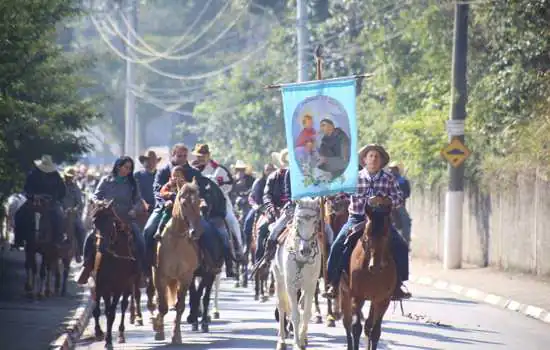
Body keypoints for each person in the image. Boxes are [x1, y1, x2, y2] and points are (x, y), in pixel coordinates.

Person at [323, 144, 411, 300]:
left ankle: (398, 285)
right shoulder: (354, 178)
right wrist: (331, 197)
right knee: (337, 245)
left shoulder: (389, 178)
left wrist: (385, 200)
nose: (374, 159)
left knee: (401, 246)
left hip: (382, 221)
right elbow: (342, 196)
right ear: (364, 160)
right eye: (370, 156)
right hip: (357, 219)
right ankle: (333, 283)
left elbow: (398, 199)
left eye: (377, 157)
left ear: (382, 161)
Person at [142, 143, 236, 277]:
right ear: (173, 155)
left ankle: (210, 262)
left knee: (209, 231)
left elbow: (202, 191)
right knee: (148, 230)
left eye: (185, 156)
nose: (182, 158)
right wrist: (165, 202)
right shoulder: (163, 171)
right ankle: (146, 266)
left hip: (190, 210)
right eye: (179, 155)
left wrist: (201, 202)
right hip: (166, 208)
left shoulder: (193, 172)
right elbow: (157, 190)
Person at [77, 156, 146, 284]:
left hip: (126, 219)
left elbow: (138, 200)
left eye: (130, 168)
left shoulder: (132, 183)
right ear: (118, 166)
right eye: (126, 167)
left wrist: (135, 209)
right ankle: (86, 267)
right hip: (107, 218)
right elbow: (95, 195)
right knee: (90, 238)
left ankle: (141, 273)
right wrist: (99, 202)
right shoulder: (106, 180)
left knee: (140, 241)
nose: (128, 171)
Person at [192, 143, 244, 260]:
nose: (200, 158)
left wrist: (218, 191)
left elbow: (230, 184)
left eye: (203, 155)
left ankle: (238, 250)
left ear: (208, 155)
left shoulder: (219, 169)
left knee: (232, 221)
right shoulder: (192, 170)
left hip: (220, 204)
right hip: (198, 204)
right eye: (198, 156)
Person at [15, 155, 66, 247]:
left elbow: (62, 191)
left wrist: (53, 198)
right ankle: (18, 239)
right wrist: (33, 196)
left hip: (51, 203)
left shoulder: (55, 175)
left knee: (59, 217)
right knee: (19, 214)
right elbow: (26, 188)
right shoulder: (33, 174)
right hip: (34, 201)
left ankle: (58, 240)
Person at [257, 149, 292, 267]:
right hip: (276, 210)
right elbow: (267, 195)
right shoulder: (273, 177)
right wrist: (272, 208)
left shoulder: (298, 177)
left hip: (296, 209)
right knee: (263, 229)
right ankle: (263, 259)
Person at [243, 163, 276, 246]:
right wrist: (256, 206)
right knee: (248, 221)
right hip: (260, 207)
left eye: (271, 169)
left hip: (273, 207)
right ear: (264, 171)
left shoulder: (277, 180)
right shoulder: (259, 182)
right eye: (267, 169)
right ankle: (246, 246)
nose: (270, 171)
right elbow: (252, 196)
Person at [153, 165, 187, 240]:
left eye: (178, 176)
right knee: (166, 214)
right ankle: (159, 230)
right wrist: (169, 195)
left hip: (183, 207)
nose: (176, 178)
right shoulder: (168, 185)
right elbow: (162, 192)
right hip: (171, 207)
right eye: (174, 176)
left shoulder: (185, 186)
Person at [62, 167, 85, 263]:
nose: (69, 178)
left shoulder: (76, 188)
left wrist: (75, 209)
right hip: (60, 212)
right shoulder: (60, 186)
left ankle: (79, 252)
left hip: (72, 214)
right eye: (67, 176)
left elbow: (80, 203)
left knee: (81, 230)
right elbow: (56, 199)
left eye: (70, 177)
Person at [388, 161, 412, 245]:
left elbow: (407, 193)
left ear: (398, 170)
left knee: (407, 221)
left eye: (394, 169)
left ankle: (406, 241)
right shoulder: (386, 180)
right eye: (390, 169)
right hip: (387, 205)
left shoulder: (403, 181)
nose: (391, 171)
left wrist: (401, 195)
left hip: (399, 205)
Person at [135, 150, 161, 214]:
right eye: (148, 161)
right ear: (144, 162)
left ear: (156, 162)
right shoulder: (137, 175)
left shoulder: (161, 175)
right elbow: (135, 193)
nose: (150, 163)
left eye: (153, 161)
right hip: (142, 208)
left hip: (158, 207)